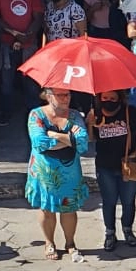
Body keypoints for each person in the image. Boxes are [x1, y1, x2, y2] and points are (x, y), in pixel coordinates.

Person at [26, 87, 91, 261]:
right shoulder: (36, 115)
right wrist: (69, 140)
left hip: (69, 173)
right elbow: (39, 142)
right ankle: (49, 242)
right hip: (44, 172)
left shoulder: (75, 115)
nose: (65, 98)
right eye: (60, 95)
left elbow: (83, 142)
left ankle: (70, 243)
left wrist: (54, 134)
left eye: (68, 94)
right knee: (47, 209)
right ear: (48, 96)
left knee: (69, 209)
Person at [87, 86, 136, 252]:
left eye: (112, 99)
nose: (108, 102)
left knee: (128, 201)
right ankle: (110, 233)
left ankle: (128, 230)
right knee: (108, 201)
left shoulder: (130, 112)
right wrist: (89, 124)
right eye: (105, 98)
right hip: (105, 165)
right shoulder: (95, 114)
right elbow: (91, 139)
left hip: (129, 164)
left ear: (119, 99)